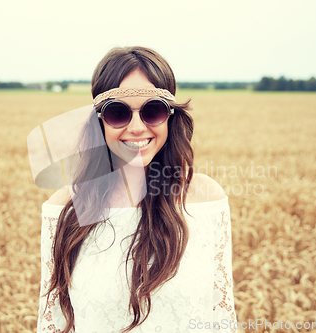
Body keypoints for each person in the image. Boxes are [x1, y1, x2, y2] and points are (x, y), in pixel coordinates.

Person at [36, 46, 237, 332]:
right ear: (99, 121)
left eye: (152, 111)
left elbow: (221, 317)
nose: (137, 127)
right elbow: (53, 322)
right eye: (118, 113)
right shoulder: (64, 207)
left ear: (170, 117)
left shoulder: (206, 199)